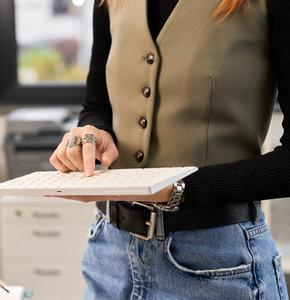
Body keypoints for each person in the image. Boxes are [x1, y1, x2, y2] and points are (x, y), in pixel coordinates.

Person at [49, 0, 290, 299]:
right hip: (108, 257)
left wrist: (179, 189)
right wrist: (92, 132)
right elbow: (97, 106)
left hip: (216, 265)